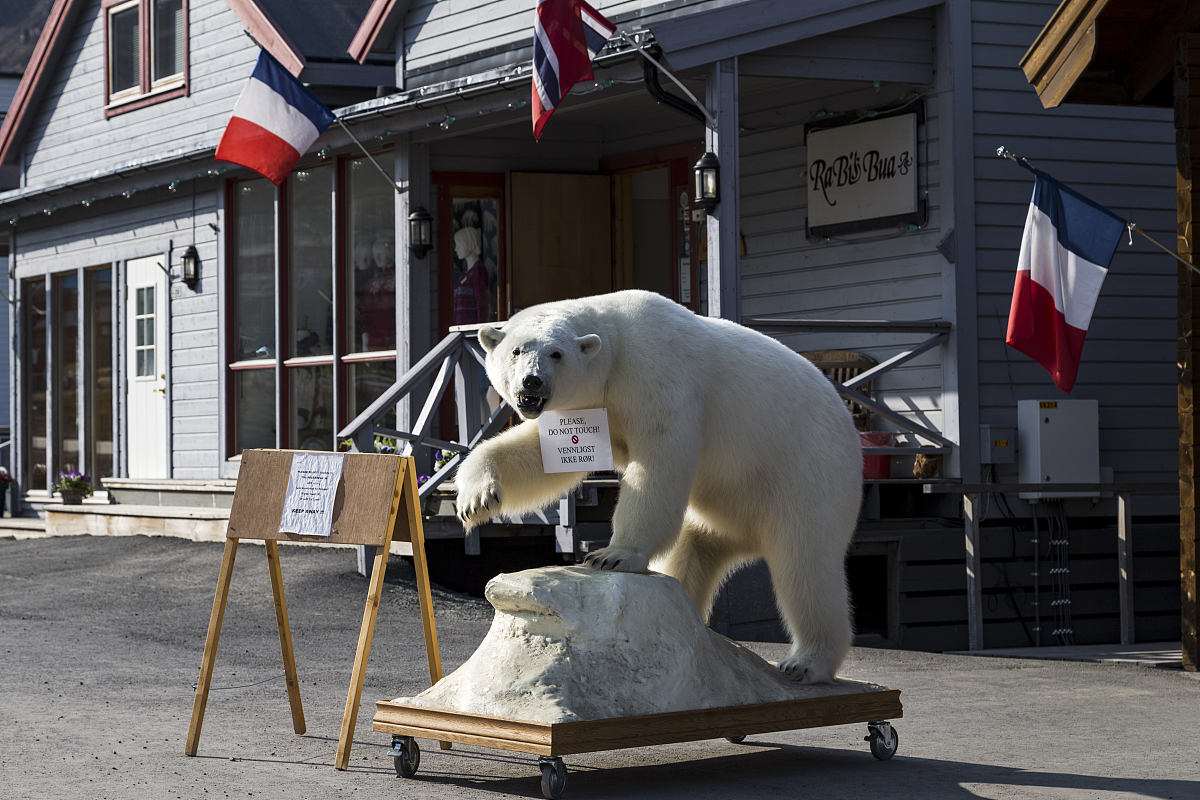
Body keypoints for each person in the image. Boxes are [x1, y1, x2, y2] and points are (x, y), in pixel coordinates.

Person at [453, 226, 489, 325]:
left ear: (469, 244)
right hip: (460, 329)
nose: (456, 249)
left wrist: (480, 326)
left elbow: (481, 302)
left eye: (458, 245)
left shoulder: (478, 271)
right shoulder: (464, 274)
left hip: (471, 331)